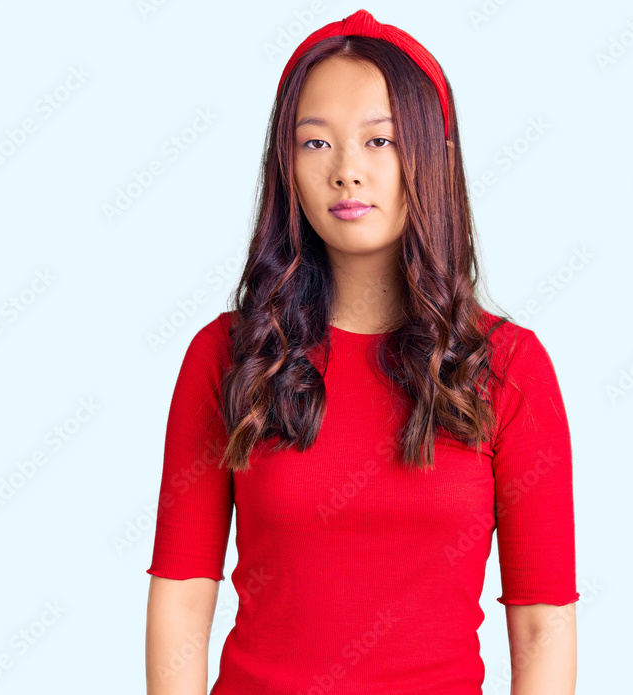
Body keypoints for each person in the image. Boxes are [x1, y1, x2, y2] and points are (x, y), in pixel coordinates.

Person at [144, 9, 578, 694]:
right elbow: (182, 595)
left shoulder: (509, 366)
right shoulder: (228, 357)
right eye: (315, 144)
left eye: (380, 141)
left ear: (438, 157)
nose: (347, 171)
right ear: (284, 164)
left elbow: (541, 624)